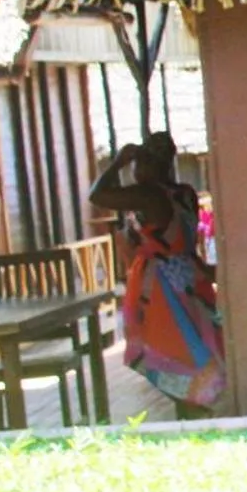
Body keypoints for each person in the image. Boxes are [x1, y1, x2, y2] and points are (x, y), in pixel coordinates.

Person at [89, 132, 226, 412]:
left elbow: (98, 195)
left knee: (170, 351)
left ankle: (192, 409)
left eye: (139, 163)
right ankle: (195, 409)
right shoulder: (185, 193)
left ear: (152, 165)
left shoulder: (149, 195)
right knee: (192, 347)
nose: (136, 170)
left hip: (162, 288)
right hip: (189, 276)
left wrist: (117, 163)